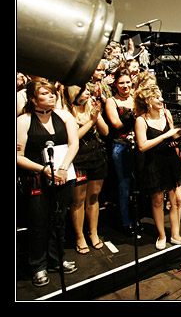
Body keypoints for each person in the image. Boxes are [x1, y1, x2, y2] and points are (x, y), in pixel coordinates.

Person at [17, 80, 80, 287]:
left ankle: (57, 258)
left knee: (59, 219)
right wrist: (43, 169)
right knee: (38, 223)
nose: (52, 96)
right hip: (37, 177)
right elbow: (18, 156)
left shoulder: (64, 116)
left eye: (53, 93)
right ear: (33, 99)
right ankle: (38, 265)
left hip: (63, 174)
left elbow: (73, 144)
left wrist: (62, 168)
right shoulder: (24, 121)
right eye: (45, 93)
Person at [134, 84, 181, 250]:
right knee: (158, 201)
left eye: (160, 96)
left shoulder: (167, 114)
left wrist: (176, 137)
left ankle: (176, 235)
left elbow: (172, 135)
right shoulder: (141, 120)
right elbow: (142, 146)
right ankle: (162, 235)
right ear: (148, 101)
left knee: (177, 199)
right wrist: (164, 136)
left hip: (171, 161)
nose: (161, 99)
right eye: (156, 97)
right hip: (154, 163)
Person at [63, 85, 109, 255]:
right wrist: (91, 121)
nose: (87, 92)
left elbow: (105, 131)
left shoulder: (91, 106)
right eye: (83, 90)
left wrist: (96, 117)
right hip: (77, 158)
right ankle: (79, 236)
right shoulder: (67, 112)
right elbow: (73, 138)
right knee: (78, 200)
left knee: (94, 197)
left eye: (87, 90)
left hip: (96, 155)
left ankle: (93, 232)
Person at [104, 68, 137, 235]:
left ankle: (138, 216)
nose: (125, 86)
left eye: (127, 82)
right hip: (120, 145)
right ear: (115, 85)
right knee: (124, 183)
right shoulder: (111, 101)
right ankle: (126, 221)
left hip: (139, 144)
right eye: (121, 83)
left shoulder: (136, 98)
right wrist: (134, 118)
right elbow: (116, 124)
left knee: (138, 182)